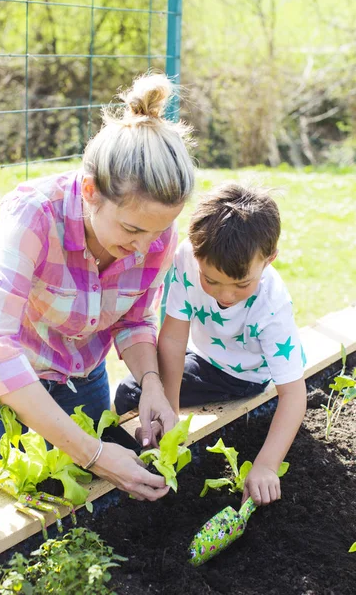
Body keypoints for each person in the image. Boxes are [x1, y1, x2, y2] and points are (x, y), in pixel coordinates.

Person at [0, 72, 195, 502]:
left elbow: (135, 321)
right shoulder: (35, 214)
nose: (144, 249)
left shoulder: (155, 233)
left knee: (78, 511)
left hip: (80, 379)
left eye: (155, 233)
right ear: (90, 191)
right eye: (131, 229)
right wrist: (93, 453)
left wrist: (152, 384)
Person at [115, 181, 307, 506]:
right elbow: (174, 338)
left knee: (130, 395)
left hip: (240, 375)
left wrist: (265, 466)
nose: (224, 295)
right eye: (212, 281)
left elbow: (293, 395)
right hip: (203, 355)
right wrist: (169, 414)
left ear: (270, 258)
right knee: (136, 394)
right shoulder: (188, 258)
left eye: (241, 284)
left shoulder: (272, 306)